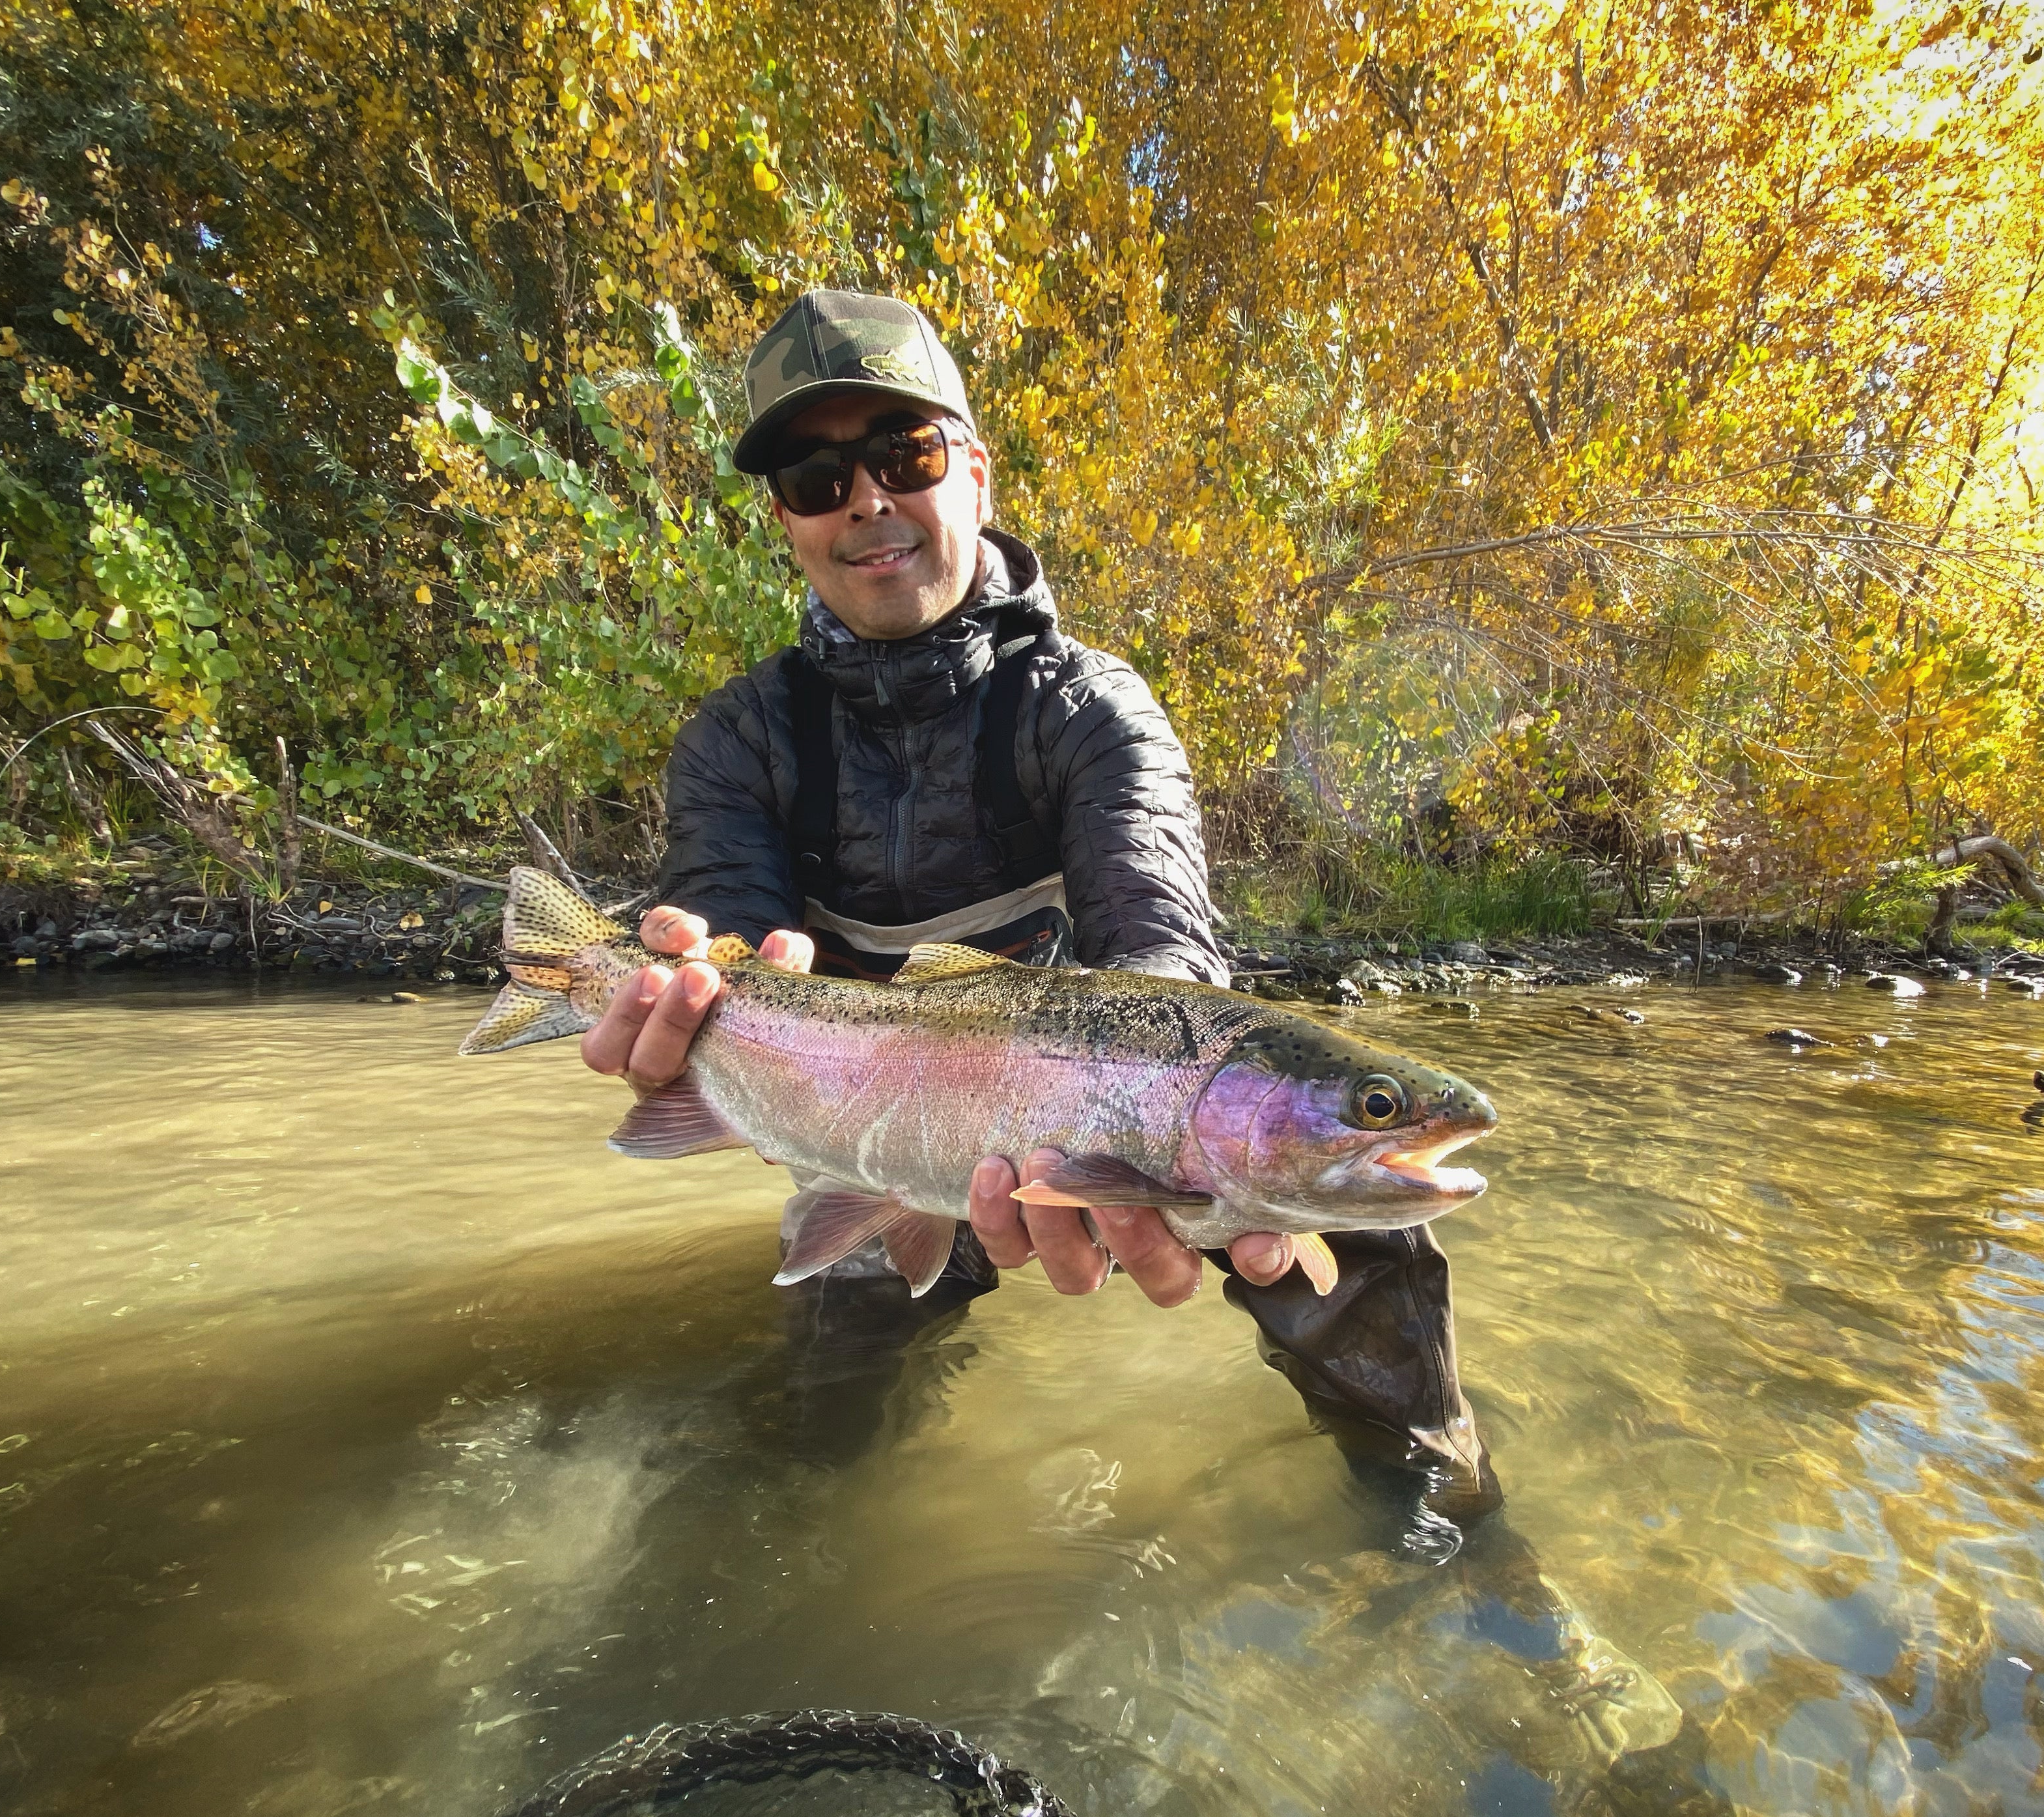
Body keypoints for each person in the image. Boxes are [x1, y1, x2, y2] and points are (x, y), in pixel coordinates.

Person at [578, 289, 1498, 1520]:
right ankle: (798, 1540)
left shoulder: (1092, 710)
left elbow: (1161, 940)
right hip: (874, 1121)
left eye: (902, 454)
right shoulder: (740, 739)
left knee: (1356, 1227)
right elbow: (727, 943)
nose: (866, 500)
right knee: (831, 1370)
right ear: (789, 521)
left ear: (973, 471)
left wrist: (1161, 1126)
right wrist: (679, 998)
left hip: (1111, 1110)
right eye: (814, 477)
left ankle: (1450, 1529)